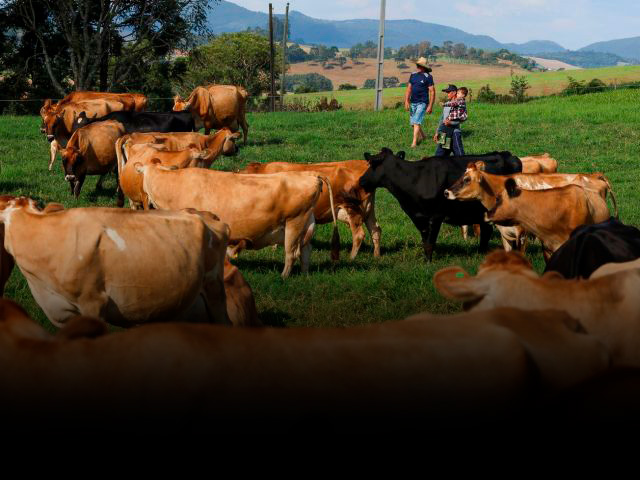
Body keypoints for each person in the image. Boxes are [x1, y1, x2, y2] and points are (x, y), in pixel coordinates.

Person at [404, 56, 435, 148]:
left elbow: (432, 91)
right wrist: (406, 101)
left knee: (416, 122)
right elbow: (409, 88)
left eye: (419, 65)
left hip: (422, 102)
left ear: (423, 67)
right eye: (417, 64)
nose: (417, 66)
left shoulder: (428, 77)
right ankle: (423, 136)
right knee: (413, 124)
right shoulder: (413, 75)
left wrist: (430, 106)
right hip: (413, 102)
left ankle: (414, 142)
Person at [433, 85, 468, 157]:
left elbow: (462, 119)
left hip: (455, 133)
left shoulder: (460, 103)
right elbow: (442, 119)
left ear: (454, 92)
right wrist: (437, 132)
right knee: (440, 154)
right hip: (445, 132)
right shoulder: (448, 104)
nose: (447, 94)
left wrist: (451, 122)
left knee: (459, 155)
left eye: (448, 92)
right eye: (447, 92)